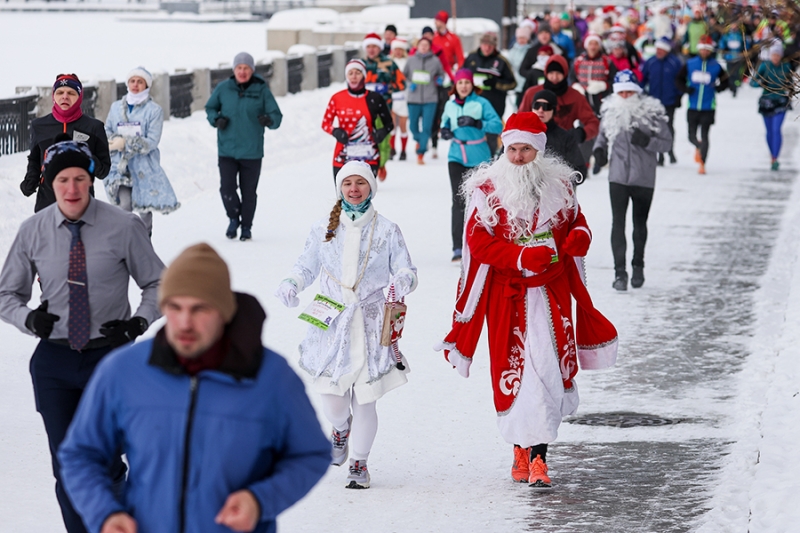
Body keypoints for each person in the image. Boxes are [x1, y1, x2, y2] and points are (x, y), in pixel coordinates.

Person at [59, 243, 330, 533]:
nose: (185, 323)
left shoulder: (272, 378)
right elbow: (81, 453)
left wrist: (259, 500)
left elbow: (310, 453)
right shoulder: (123, 371)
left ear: (224, 312)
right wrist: (105, 513)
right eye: (174, 307)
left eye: (200, 309)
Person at [436, 112, 618, 488]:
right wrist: (518, 257)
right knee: (517, 375)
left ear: (539, 150)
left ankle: (539, 457)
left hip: (551, 295)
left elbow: (577, 220)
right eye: (512, 148)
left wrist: (580, 236)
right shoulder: (486, 189)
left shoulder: (561, 187)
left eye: (526, 150)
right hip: (508, 297)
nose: (518, 157)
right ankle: (521, 448)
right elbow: (478, 242)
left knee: (548, 373)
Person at [0, 140, 165, 533]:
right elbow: (6, 295)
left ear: (90, 181)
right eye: (62, 180)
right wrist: (29, 320)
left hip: (110, 358)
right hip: (54, 363)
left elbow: (160, 283)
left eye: (79, 179)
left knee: (106, 460)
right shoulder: (33, 231)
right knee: (68, 464)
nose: (71, 189)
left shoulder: (124, 226)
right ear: (50, 184)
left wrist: (138, 323)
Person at [275, 160, 418, 490]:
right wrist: (291, 283)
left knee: (366, 398)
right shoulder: (323, 228)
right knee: (334, 401)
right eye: (348, 183)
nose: (354, 189)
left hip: (370, 324)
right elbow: (306, 264)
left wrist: (402, 282)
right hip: (331, 323)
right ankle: (340, 429)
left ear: (372, 187)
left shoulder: (387, 229)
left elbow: (407, 269)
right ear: (339, 188)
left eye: (361, 183)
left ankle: (359, 463)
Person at [592, 70, 672, 290]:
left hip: (643, 177)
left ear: (637, 91)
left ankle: (638, 266)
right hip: (617, 177)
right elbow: (602, 136)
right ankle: (620, 273)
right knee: (617, 223)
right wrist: (599, 151)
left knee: (639, 224)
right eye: (621, 92)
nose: (625, 96)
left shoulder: (652, 112)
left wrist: (647, 141)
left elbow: (667, 143)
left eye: (629, 92)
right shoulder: (610, 111)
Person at [205, 51, 283, 241]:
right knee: (227, 189)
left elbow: (277, 116)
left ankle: (246, 226)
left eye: (246, 68)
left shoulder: (261, 90)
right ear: (234, 70)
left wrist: (268, 120)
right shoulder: (224, 88)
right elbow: (210, 107)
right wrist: (216, 119)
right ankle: (233, 218)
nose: (242, 71)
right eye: (239, 68)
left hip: (252, 151)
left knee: (249, 192)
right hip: (227, 150)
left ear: (252, 70)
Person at [103, 67, 180, 236]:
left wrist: (126, 143)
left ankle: (145, 241)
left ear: (146, 85)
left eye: (140, 81)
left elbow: (152, 141)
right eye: (132, 81)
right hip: (120, 166)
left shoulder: (154, 111)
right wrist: (112, 142)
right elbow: (107, 129)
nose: (135, 85)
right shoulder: (116, 107)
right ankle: (125, 242)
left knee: (144, 208)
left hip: (144, 167)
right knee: (124, 205)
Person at [20, 74, 111, 213]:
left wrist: (85, 156)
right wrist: (31, 179)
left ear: (79, 97)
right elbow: (34, 159)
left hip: (81, 203)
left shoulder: (94, 127)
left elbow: (104, 170)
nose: (65, 96)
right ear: (53, 96)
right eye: (60, 92)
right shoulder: (39, 125)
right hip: (47, 203)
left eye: (71, 93)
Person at [440, 69, 503, 262]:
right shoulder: (450, 105)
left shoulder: (482, 103)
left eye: (467, 83)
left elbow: (498, 125)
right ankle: (458, 247)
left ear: (472, 84)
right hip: (456, 156)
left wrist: (477, 123)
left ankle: (484, 243)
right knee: (458, 202)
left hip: (480, 158)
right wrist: (444, 131)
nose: (464, 86)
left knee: (482, 202)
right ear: (455, 86)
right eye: (460, 83)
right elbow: (444, 123)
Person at [322, 59, 393, 180]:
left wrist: (381, 133)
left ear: (364, 76)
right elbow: (325, 123)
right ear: (346, 76)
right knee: (343, 196)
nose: (354, 76)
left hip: (369, 156)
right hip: (342, 156)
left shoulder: (374, 98)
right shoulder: (337, 98)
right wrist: (336, 132)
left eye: (358, 72)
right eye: (350, 73)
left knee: (363, 196)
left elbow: (389, 124)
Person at [676, 35, 729, 174]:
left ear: (711, 51)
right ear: (699, 50)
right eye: (702, 49)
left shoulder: (716, 66)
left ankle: (702, 164)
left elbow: (726, 81)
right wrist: (686, 89)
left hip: (708, 107)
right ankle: (698, 147)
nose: (705, 52)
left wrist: (718, 88)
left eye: (707, 50)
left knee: (705, 135)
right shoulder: (690, 64)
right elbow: (678, 79)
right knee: (691, 136)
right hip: (692, 106)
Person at [463, 32, 517, 156]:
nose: (487, 48)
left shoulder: (501, 61)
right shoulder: (471, 58)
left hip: (494, 105)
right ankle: (473, 161)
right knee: (473, 132)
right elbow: (461, 77)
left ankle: (491, 162)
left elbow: (512, 83)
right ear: (480, 45)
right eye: (485, 45)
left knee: (491, 135)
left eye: (490, 46)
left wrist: (496, 83)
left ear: (495, 46)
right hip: (473, 103)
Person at [362, 33, 406, 181]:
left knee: (383, 141)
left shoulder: (389, 64)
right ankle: (367, 170)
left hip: (384, 109)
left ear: (379, 47)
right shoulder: (360, 65)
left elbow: (401, 84)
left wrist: (387, 89)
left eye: (374, 46)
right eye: (368, 46)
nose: (371, 49)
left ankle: (381, 164)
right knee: (365, 141)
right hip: (364, 110)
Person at [641, 37, 683, 165]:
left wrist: (678, 96)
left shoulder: (675, 63)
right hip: (653, 101)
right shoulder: (651, 62)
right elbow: (643, 79)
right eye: (657, 49)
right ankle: (659, 155)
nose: (658, 52)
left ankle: (670, 150)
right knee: (655, 128)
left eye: (661, 49)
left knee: (668, 127)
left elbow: (681, 81)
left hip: (669, 101)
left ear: (666, 50)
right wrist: (642, 92)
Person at [404, 37, 444, 164]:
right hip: (413, 98)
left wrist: (440, 79)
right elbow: (403, 76)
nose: (424, 47)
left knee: (427, 127)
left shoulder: (435, 61)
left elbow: (441, 74)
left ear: (430, 47)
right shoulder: (410, 60)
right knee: (412, 127)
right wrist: (409, 83)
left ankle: (420, 152)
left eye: (426, 45)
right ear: (417, 46)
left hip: (430, 98)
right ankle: (421, 140)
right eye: (421, 45)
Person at [755, 40, 794, 170]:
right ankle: (772, 155)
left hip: (781, 101)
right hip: (766, 101)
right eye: (773, 55)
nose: (775, 58)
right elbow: (753, 83)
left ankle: (775, 157)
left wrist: (789, 87)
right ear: (770, 55)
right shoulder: (765, 66)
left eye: (778, 55)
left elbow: (790, 83)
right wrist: (762, 83)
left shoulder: (786, 66)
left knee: (776, 130)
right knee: (769, 131)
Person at [530, 90, 585, 175]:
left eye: (546, 107)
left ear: (554, 110)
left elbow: (580, 170)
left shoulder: (565, 138)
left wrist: (562, 182)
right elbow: (502, 161)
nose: (540, 110)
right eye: (537, 105)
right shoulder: (520, 134)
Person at [573, 33, 617, 116]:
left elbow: (615, 80)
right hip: (583, 100)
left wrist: (605, 85)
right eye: (590, 44)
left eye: (596, 44)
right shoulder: (578, 61)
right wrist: (575, 86)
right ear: (586, 46)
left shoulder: (607, 61)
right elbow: (571, 77)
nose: (593, 47)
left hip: (602, 100)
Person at [389, 38, 410, 160]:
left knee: (403, 124)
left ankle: (403, 150)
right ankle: (392, 148)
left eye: (400, 49)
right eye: (396, 49)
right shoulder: (389, 62)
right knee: (392, 124)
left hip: (404, 96)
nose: (398, 52)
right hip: (392, 96)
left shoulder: (407, 62)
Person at [507, 26, 533, 110]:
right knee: (518, 104)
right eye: (520, 38)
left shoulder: (530, 51)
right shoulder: (513, 51)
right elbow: (508, 65)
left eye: (524, 38)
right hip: (517, 81)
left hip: (527, 81)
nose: (521, 40)